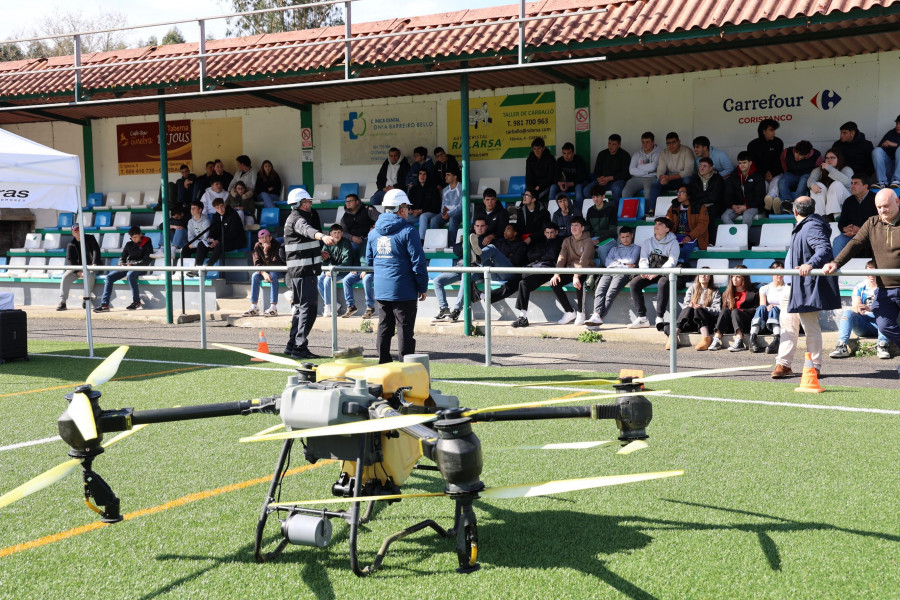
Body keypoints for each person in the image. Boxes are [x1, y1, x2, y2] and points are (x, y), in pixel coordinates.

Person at [824, 189, 900, 375]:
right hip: (884, 288)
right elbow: (855, 244)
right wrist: (836, 262)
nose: (883, 210)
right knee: (884, 325)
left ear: (897, 201)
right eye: (879, 207)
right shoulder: (872, 223)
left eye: (886, 206)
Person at [772, 196, 841, 378]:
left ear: (795, 212)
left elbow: (824, 249)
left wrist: (809, 264)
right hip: (792, 284)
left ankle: (814, 366)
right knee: (788, 326)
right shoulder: (810, 224)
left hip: (803, 286)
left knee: (809, 326)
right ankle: (784, 364)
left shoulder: (812, 226)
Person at [366, 189, 428, 363]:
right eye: (407, 208)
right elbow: (418, 262)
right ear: (400, 209)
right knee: (405, 330)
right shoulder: (409, 231)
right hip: (404, 289)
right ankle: (406, 367)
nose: (408, 211)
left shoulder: (373, 233)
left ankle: (383, 364)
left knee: (384, 327)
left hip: (381, 289)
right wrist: (422, 287)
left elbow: (370, 260)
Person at [284, 187, 337, 359]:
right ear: (299, 204)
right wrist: (322, 237)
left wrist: (317, 253)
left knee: (300, 310)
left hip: (299, 271)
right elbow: (307, 230)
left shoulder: (296, 217)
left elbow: (302, 244)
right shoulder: (297, 219)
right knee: (309, 310)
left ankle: (292, 345)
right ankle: (299, 348)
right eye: (307, 202)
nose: (310, 204)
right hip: (304, 272)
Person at [829, 261, 892, 359]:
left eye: (874, 272)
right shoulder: (860, 287)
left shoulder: (886, 287)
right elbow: (854, 306)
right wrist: (859, 308)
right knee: (848, 313)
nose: (871, 275)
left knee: (886, 314)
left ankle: (882, 346)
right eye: (868, 272)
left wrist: (870, 308)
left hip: (881, 323)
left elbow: (889, 308)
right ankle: (841, 346)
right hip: (864, 324)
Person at [432, 219, 490, 322]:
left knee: (465, 276)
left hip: (475, 268)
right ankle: (444, 308)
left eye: (482, 226)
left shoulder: (488, 240)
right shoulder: (468, 237)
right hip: (460, 266)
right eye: (477, 226)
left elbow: (483, 256)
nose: (480, 228)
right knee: (437, 281)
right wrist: (464, 243)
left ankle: (457, 309)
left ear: (486, 227)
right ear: (474, 227)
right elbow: (456, 250)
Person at [627, 216, 679, 329]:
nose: (656, 226)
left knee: (663, 283)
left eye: (660, 224)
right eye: (655, 224)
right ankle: (642, 318)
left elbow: (672, 261)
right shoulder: (647, 242)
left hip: (665, 271)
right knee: (634, 284)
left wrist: (658, 272)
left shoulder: (674, 243)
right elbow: (643, 259)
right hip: (651, 270)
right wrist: (644, 271)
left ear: (667, 229)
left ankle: (659, 317)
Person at [509, 224, 564, 328]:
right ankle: (486, 296)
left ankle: (522, 316)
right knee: (513, 281)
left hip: (548, 270)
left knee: (523, 283)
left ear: (556, 232)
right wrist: (542, 254)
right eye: (547, 233)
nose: (549, 235)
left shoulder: (560, 241)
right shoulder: (540, 241)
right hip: (533, 267)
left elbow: (552, 256)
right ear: (544, 233)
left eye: (552, 232)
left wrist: (539, 255)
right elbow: (530, 255)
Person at [585, 226, 640, 326]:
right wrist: (624, 265)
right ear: (619, 237)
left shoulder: (636, 248)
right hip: (609, 271)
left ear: (632, 236)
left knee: (611, 292)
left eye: (627, 236)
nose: (625, 239)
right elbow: (608, 262)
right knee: (599, 290)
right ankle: (596, 315)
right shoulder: (614, 249)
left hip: (623, 273)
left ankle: (600, 316)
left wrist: (616, 262)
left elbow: (631, 261)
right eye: (623, 237)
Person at [94, 226, 153, 312]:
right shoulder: (129, 244)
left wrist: (132, 265)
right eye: (132, 237)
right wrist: (122, 264)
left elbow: (146, 260)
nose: (133, 239)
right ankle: (105, 304)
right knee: (109, 277)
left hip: (140, 267)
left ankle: (136, 301)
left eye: (135, 237)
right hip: (128, 267)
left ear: (140, 235)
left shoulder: (147, 244)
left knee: (130, 274)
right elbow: (122, 257)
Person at [549, 216, 594, 325]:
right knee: (555, 283)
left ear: (582, 228)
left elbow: (583, 261)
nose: (573, 228)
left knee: (578, 283)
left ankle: (581, 313)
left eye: (576, 225)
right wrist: (556, 274)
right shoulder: (567, 240)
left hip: (585, 269)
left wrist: (576, 277)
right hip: (570, 268)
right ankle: (569, 311)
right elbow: (561, 258)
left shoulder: (588, 241)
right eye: (572, 225)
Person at [707, 266, 759, 352]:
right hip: (730, 325)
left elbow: (756, 309)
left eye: (738, 277)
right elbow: (724, 312)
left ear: (744, 278)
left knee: (735, 311)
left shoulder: (754, 292)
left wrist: (740, 311)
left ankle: (739, 340)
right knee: (724, 310)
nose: (734, 279)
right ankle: (717, 338)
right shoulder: (727, 292)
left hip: (745, 323)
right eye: (733, 276)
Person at [669, 270, 721, 351]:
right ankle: (673, 337)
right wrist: (690, 306)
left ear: (710, 277)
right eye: (701, 274)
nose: (703, 276)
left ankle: (706, 338)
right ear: (698, 276)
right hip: (692, 321)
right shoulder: (692, 288)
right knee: (689, 308)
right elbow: (684, 307)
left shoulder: (715, 291)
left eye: (706, 274)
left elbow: (717, 311)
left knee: (698, 309)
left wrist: (703, 307)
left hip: (707, 321)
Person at [57, 224, 101, 311]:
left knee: (91, 274)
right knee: (65, 277)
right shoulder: (71, 244)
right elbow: (70, 260)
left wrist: (94, 264)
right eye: (76, 231)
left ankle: (86, 298)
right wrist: (78, 271)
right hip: (77, 268)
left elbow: (96, 251)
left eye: (80, 230)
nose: (78, 232)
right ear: (73, 233)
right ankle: (63, 302)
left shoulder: (90, 238)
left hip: (90, 266)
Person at [747, 260, 787, 353]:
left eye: (782, 272)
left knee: (774, 308)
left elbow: (788, 305)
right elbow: (763, 305)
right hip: (767, 318)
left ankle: (777, 338)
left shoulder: (788, 287)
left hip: (782, 314)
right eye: (777, 272)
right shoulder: (765, 288)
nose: (780, 275)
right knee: (761, 308)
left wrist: (774, 306)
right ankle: (752, 337)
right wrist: (767, 307)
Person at [243, 229, 284, 317]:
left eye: (266, 237)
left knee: (273, 274)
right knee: (255, 276)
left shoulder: (277, 245)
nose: (264, 240)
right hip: (265, 271)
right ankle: (254, 307)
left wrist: (266, 252)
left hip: (279, 270)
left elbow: (275, 264)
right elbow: (256, 264)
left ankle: (273, 307)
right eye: (262, 238)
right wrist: (263, 273)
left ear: (270, 237)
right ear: (259, 240)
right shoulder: (257, 246)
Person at [318, 223, 355, 318]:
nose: (337, 235)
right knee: (319, 279)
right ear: (330, 234)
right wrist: (329, 269)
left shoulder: (346, 243)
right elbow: (325, 259)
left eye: (339, 232)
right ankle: (333, 305)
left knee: (326, 280)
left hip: (343, 270)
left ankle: (329, 307)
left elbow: (346, 262)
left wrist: (333, 271)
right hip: (331, 270)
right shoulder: (327, 244)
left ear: (342, 233)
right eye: (334, 233)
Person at [833, 175, 877, 256]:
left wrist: (861, 230)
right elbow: (841, 223)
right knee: (838, 241)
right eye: (852, 183)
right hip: (852, 236)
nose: (852, 186)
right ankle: (836, 266)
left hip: (871, 236)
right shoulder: (848, 201)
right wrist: (845, 229)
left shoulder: (876, 199)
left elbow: (879, 223)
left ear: (865, 186)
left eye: (856, 183)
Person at [195, 197, 245, 268]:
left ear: (224, 205)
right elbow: (213, 230)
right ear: (215, 209)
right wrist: (211, 238)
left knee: (220, 245)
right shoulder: (216, 216)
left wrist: (218, 240)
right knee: (201, 244)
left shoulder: (234, 215)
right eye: (217, 208)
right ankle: (198, 268)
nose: (220, 210)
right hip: (220, 240)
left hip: (234, 241)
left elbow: (233, 233)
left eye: (221, 207)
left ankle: (207, 267)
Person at [664, 185, 709, 263]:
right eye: (678, 192)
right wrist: (670, 234)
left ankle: (683, 266)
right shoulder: (674, 206)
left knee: (686, 248)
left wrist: (690, 236)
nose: (678, 194)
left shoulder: (700, 207)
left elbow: (702, 225)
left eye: (682, 192)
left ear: (689, 195)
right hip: (676, 235)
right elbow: (668, 222)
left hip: (695, 236)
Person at [649, 132, 695, 207]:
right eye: (668, 143)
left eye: (673, 143)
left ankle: (686, 208)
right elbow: (660, 170)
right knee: (655, 184)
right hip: (671, 179)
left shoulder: (687, 151)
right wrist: (662, 177)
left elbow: (688, 171)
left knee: (687, 180)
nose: (671, 145)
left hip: (684, 178)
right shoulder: (664, 153)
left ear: (679, 142)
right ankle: (652, 210)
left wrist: (669, 178)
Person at [747, 118, 784, 209]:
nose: (774, 133)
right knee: (763, 184)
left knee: (775, 182)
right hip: (760, 175)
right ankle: (769, 205)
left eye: (774, 130)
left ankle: (770, 199)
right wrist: (764, 173)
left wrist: (772, 173)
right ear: (763, 131)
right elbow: (753, 163)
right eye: (771, 130)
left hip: (775, 173)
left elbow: (780, 161)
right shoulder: (752, 145)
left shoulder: (778, 142)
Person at [807, 147, 853, 219]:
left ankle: (837, 216)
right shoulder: (819, 170)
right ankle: (819, 216)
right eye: (827, 158)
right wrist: (812, 185)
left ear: (839, 159)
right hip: (826, 205)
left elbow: (848, 182)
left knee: (836, 184)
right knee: (817, 185)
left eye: (832, 158)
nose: (829, 160)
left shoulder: (846, 169)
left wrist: (830, 169)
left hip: (845, 203)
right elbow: (811, 179)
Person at [341, 229, 376, 320]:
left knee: (366, 280)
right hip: (360, 269)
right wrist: (354, 267)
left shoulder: (378, 242)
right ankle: (351, 306)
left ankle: (370, 307)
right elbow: (357, 256)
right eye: (371, 229)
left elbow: (377, 260)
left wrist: (367, 270)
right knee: (346, 280)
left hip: (372, 271)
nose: (372, 231)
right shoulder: (364, 242)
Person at [722, 152, 765, 224]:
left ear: (750, 163)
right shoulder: (734, 175)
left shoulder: (758, 176)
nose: (742, 165)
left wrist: (747, 207)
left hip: (754, 205)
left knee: (747, 215)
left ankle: (743, 235)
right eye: (740, 163)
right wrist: (732, 205)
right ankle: (737, 235)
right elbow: (728, 194)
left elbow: (760, 197)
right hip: (738, 205)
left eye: (744, 163)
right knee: (725, 216)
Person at [689, 157, 726, 241]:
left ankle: (710, 242)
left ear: (711, 168)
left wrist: (701, 196)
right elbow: (693, 196)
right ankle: (696, 241)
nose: (701, 168)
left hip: (714, 206)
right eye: (700, 165)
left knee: (709, 217)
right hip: (698, 205)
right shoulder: (694, 179)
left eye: (704, 166)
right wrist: (707, 193)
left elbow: (715, 197)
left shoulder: (717, 178)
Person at [778, 141, 822, 209]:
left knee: (803, 182)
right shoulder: (787, 151)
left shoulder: (816, 155)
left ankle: (796, 205)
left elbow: (819, 169)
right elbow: (782, 161)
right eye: (796, 152)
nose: (796, 156)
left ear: (807, 155)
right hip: (791, 174)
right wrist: (786, 171)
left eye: (800, 155)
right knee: (782, 181)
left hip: (806, 175)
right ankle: (788, 203)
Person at [549, 142, 590, 213]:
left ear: (573, 153)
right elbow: (555, 177)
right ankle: (552, 213)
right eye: (564, 153)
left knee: (578, 188)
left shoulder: (579, 160)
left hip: (577, 183)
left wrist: (569, 184)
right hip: (565, 184)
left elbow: (582, 177)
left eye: (568, 153)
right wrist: (560, 184)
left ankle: (578, 214)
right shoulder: (560, 161)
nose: (566, 156)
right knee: (553, 187)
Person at [592, 134, 631, 207]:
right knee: (587, 189)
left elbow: (626, 174)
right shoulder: (602, 154)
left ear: (619, 145)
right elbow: (596, 171)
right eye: (609, 143)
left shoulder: (625, 155)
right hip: (603, 181)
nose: (610, 146)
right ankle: (594, 211)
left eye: (614, 144)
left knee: (616, 189)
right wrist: (598, 178)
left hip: (617, 180)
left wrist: (609, 178)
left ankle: (616, 213)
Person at [621, 132, 661, 201]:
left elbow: (653, 167)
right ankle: (629, 211)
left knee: (648, 192)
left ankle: (648, 212)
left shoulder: (659, 152)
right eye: (643, 142)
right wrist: (647, 172)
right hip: (636, 178)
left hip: (651, 177)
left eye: (647, 142)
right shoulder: (637, 154)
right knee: (625, 192)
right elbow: (631, 170)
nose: (645, 145)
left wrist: (638, 167)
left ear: (653, 142)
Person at [430, 166, 463, 245]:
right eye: (445, 175)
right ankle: (436, 244)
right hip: (448, 214)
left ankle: (452, 245)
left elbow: (462, 206)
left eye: (448, 175)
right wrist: (443, 213)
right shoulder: (445, 190)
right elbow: (443, 205)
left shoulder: (462, 187)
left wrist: (449, 214)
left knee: (452, 219)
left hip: (461, 212)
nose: (445, 177)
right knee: (434, 220)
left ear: (455, 177)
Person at [407, 168, 443, 240]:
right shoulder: (413, 189)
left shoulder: (433, 189)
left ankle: (421, 241)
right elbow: (409, 204)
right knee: (402, 217)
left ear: (427, 176)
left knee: (423, 216)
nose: (422, 176)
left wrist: (421, 211)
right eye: (420, 174)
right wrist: (409, 210)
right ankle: (405, 241)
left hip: (431, 214)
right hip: (416, 215)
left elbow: (436, 207)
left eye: (424, 174)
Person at [871, 115, 900, 189]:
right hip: (890, 169)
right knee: (877, 151)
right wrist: (884, 145)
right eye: (897, 123)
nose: (897, 126)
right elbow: (879, 149)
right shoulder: (891, 133)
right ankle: (882, 182)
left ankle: (898, 180)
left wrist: (894, 144)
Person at [525, 137, 557, 203]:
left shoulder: (550, 159)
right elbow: (529, 176)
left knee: (536, 196)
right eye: (534, 149)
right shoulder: (529, 160)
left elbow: (551, 177)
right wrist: (531, 188)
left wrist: (539, 186)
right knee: (527, 195)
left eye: (538, 148)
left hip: (547, 186)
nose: (536, 151)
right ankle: (520, 209)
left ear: (543, 148)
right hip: (535, 187)